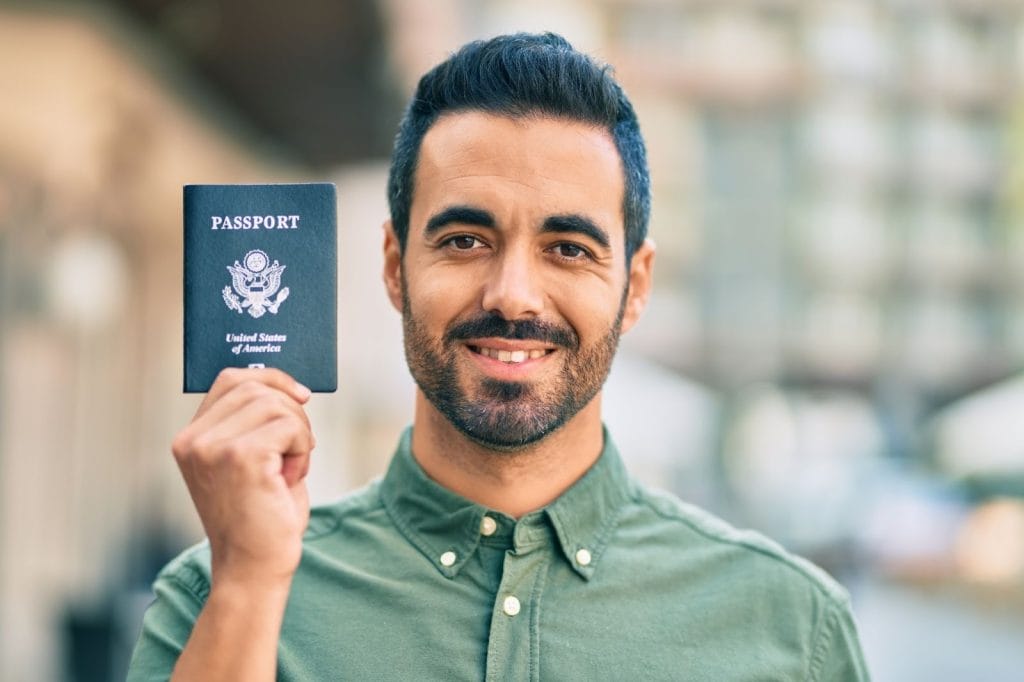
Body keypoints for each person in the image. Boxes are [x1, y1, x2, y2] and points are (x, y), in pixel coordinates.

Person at [128, 33, 870, 680]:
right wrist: (251, 585)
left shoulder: (790, 627)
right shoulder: (216, 595)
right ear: (394, 266)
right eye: (464, 241)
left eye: (568, 249)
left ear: (634, 286)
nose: (514, 295)